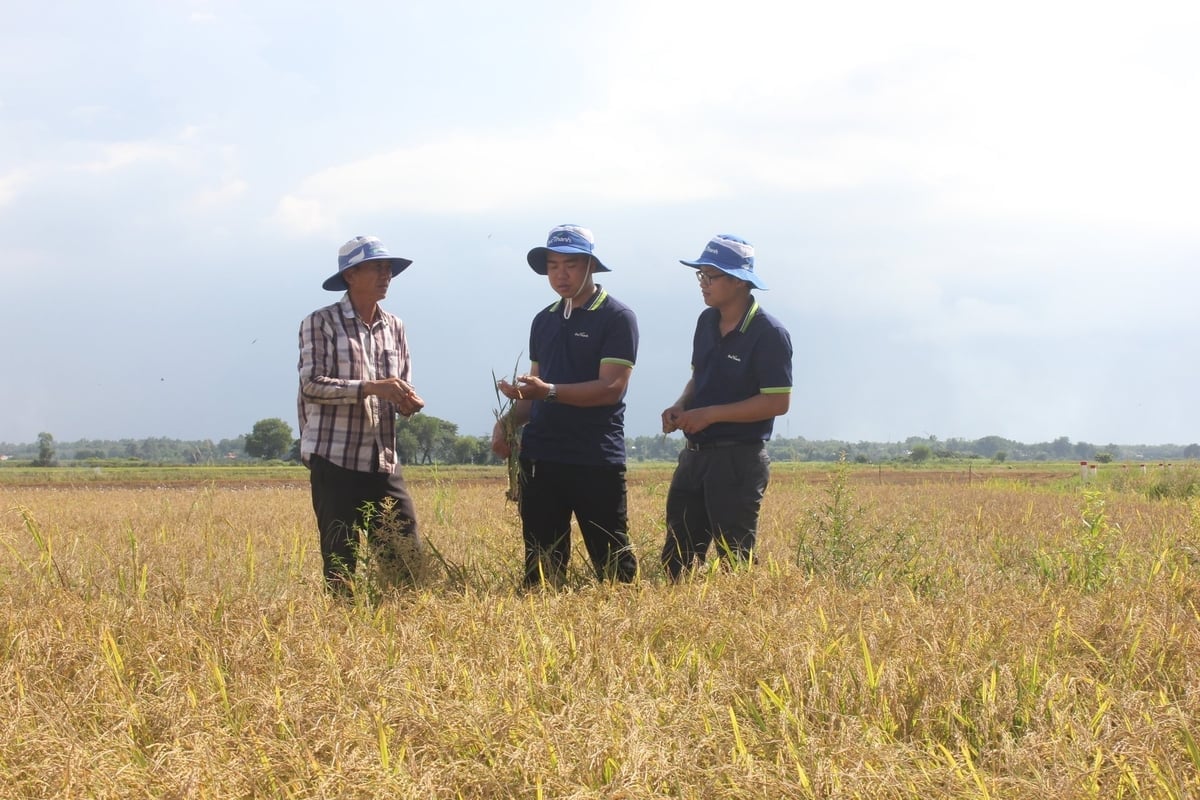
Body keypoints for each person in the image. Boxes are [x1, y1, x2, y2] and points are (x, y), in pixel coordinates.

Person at [492, 225, 639, 588]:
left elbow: (611, 389)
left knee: (614, 568)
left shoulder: (617, 317)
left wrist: (549, 392)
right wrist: (507, 422)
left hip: (595, 459)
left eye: (571, 265)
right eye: (553, 266)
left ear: (591, 266)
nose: (561, 274)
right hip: (541, 458)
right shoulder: (544, 320)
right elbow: (535, 391)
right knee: (542, 570)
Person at [660, 234, 793, 580]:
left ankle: (742, 611)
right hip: (694, 456)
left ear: (738, 281)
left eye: (710, 276)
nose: (702, 283)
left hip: (737, 459)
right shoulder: (706, 322)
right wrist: (680, 406)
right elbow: (698, 378)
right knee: (677, 560)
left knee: (735, 559)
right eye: (700, 275)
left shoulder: (769, 333)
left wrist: (710, 415)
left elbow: (777, 402)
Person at [298, 235, 425, 595]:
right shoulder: (321, 322)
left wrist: (407, 401)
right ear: (351, 275)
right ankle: (343, 623)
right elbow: (312, 385)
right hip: (335, 459)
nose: (386, 275)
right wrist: (371, 387)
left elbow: (399, 385)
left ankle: (399, 619)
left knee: (405, 560)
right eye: (377, 268)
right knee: (342, 563)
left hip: (382, 460)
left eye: (389, 269)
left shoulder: (395, 326)